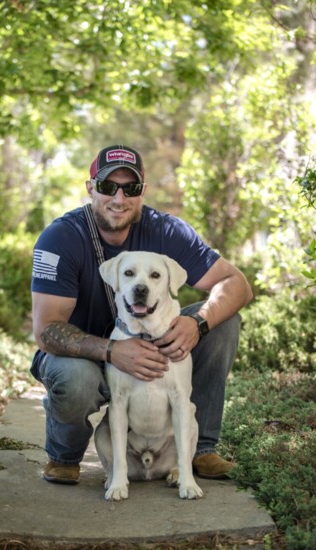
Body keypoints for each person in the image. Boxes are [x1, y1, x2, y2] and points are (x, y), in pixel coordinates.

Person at [30, 144, 253, 485]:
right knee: (76, 379)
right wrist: (111, 351)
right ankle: (65, 456)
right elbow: (46, 331)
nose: (119, 198)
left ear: (142, 192)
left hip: (153, 344)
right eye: (108, 187)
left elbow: (236, 283)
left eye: (130, 188)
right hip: (84, 357)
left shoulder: (167, 231)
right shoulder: (61, 238)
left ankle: (200, 448)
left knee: (224, 323)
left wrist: (197, 322)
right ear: (91, 188)